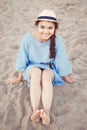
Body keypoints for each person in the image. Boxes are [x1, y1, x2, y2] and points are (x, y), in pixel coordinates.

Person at [7, 9, 76, 125]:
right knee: (36, 73)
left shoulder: (58, 40)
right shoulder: (28, 38)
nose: (46, 31)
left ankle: (46, 113)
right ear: (37, 26)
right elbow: (22, 57)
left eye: (50, 28)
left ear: (54, 29)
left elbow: (61, 60)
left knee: (46, 75)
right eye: (42, 27)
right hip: (32, 68)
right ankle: (35, 111)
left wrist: (66, 77)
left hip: (49, 68)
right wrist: (19, 78)